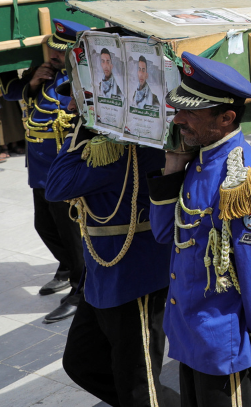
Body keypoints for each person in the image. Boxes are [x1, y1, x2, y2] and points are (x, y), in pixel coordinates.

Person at [148, 53, 251, 407]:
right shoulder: (198, 161)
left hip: (221, 343)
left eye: (190, 113)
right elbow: (164, 233)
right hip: (189, 334)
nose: (178, 119)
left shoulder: (242, 178)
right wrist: (172, 166)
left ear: (227, 117)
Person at [45, 87, 171, 407]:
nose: (70, 106)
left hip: (134, 277)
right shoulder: (105, 145)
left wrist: (83, 125)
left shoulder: (124, 150)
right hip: (103, 273)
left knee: (140, 389)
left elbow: (56, 185)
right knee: (82, 362)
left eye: (79, 98)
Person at [0, 20, 88, 323]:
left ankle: (81, 290)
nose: (54, 54)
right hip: (40, 167)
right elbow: (14, 95)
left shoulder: (81, 80)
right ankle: (67, 267)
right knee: (44, 226)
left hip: (63, 168)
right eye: (53, 47)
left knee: (72, 232)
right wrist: (34, 83)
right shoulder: (46, 72)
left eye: (62, 51)